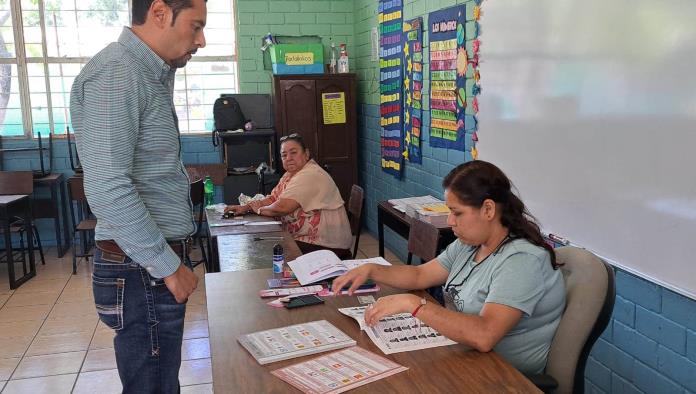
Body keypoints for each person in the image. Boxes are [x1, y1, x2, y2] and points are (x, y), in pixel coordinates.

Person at [70, 0, 207, 392]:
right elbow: (108, 186)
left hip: (144, 266)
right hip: (140, 270)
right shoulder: (118, 73)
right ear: (160, 12)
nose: (201, 40)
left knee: (162, 382)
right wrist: (167, 266)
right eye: (195, 26)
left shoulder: (149, 73)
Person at [331, 160, 566, 375]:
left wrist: (414, 305)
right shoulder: (470, 244)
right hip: (463, 356)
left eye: (457, 213)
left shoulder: (522, 260)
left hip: (503, 375)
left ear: (488, 210)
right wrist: (372, 270)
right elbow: (420, 275)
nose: (450, 221)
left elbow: (485, 334)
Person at [226, 133, 353, 257]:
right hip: (304, 239)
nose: (288, 158)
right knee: (260, 245)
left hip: (326, 246)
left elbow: (281, 207)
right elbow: (273, 198)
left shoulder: (310, 174)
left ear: (306, 154)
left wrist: (258, 209)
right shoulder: (290, 174)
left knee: (265, 251)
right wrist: (246, 207)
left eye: (293, 152)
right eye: (284, 155)